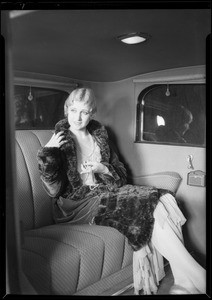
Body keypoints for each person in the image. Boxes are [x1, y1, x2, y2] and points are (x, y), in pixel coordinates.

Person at [37, 88, 206, 295]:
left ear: (92, 113)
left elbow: (121, 176)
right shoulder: (59, 141)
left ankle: (184, 280)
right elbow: (53, 191)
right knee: (143, 202)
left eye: (84, 112)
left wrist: (103, 168)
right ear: (66, 110)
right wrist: (48, 155)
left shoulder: (100, 138)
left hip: (105, 193)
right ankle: (197, 277)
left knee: (162, 198)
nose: (78, 117)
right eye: (73, 110)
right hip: (76, 205)